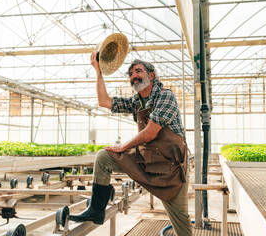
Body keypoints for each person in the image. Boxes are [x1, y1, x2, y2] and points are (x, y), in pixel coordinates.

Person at [69, 51, 192, 236]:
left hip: (171, 170)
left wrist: (124, 147)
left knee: (181, 223)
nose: (133, 77)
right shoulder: (136, 102)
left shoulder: (165, 96)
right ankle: (96, 210)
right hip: (148, 162)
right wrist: (98, 71)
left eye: (138, 71)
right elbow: (104, 101)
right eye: (130, 74)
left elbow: (150, 132)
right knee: (103, 157)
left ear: (151, 75)